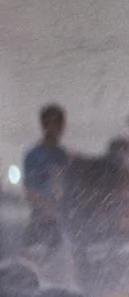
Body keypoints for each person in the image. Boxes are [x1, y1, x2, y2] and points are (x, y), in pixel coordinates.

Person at [22, 103, 70, 250]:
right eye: (51, 123)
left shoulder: (63, 155)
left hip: (62, 219)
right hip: (41, 219)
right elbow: (30, 191)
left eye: (58, 124)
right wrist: (48, 209)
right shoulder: (33, 156)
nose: (55, 128)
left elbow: (66, 186)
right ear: (44, 125)